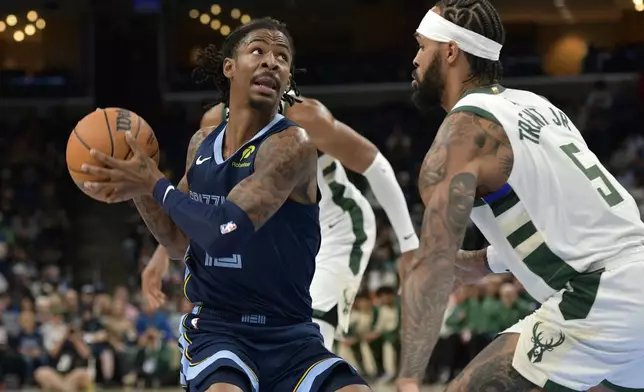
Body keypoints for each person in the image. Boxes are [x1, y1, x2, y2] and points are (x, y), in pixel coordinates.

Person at [81, 17, 370, 392]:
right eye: (258, 51)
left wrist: (153, 182)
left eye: (282, 57)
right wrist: (139, 188)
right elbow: (175, 240)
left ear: (288, 80)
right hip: (219, 330)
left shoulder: (291, 145)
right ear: (229, 67)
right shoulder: (201, 144)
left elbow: (222, 233)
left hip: (292, 334)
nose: (272, 62)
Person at [396, 1, 644, 392]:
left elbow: (434, 264)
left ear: (449, 51)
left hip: (602, 297)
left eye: (421, 46)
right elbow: (565, 218)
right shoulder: (538, 105)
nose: (414, 59)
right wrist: (484, 262)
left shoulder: (462, 133)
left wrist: (407, 378)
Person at [179, 92, 418, 350]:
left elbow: (374, 163)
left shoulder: (305, 116)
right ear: (231, 69)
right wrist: (161, 256)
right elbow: (194, 192)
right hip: (281, 241)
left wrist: (408, 245)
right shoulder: (214, 123)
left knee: (306, 338)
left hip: (337, 231)